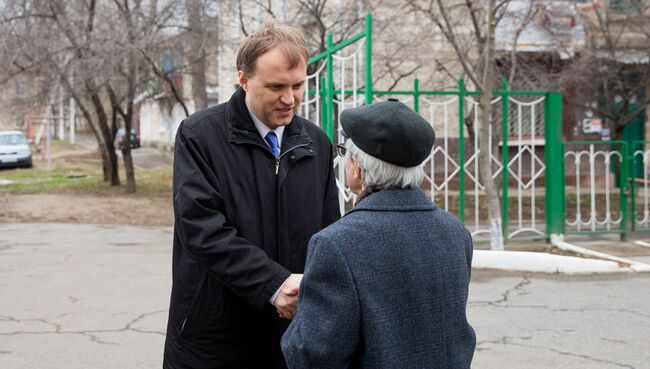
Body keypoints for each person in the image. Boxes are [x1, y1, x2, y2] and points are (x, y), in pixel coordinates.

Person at [163, 22, 341, 369]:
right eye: (276, 86)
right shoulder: (200, 135)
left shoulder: (316, 143)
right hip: (214, 338)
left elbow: (328, 233)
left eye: (298, 85)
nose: (289, 99)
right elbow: (201, 229)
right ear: (243, 79)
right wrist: (274, 286)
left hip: (291, 335)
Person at [281, 99, 476, 369]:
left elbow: (311, 355)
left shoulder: (336, 244)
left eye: (344, 154)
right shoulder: (455, 232)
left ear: (358, 169)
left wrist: (307, 305)